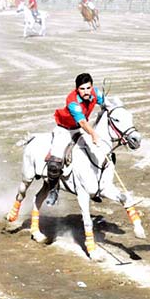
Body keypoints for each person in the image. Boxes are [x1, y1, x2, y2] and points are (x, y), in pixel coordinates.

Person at [46, 72, 104, 206]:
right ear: (77, 89)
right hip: (65, 130)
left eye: (88, 88)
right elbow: (83, 123)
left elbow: (106, 102)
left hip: (79, 129)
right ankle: (53, 190)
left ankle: (94, 187)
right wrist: (94, 134)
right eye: (82, 89)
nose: (86, 92)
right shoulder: (73, 102)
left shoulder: (95, 93)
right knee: (55, 161)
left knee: (95, 153)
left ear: (92, 86)